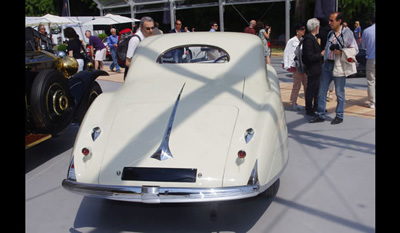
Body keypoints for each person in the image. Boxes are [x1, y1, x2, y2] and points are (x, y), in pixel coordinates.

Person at [309, 12, 358, 125]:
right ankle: (320, 114)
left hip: (339, 64)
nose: (330, 23)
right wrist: (325, 59)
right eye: (329, 20)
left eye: (332, 20)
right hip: (327, 65)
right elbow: (327, 48)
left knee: (339, 92)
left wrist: (341, 51)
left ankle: (339, 115)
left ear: (339, 21)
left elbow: (355, 49)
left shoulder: (347, 33)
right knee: (322, 91)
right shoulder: (330, 33)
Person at [283, 23, 307, 111]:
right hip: (296, 65)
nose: (303, 31)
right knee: (297, 85)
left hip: (304, 65)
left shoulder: (304, 40)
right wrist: (287, 65)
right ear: (297, 30)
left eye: (304, 29)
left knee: (306, 84)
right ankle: (293, 102)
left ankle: (308, 103)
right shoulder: (292, 41)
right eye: (301, 29)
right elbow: (287, 53)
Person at [302, 18, 323, 116]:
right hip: (312, 68)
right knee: (311, 88)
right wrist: (321, 54)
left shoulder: (311, 38)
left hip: (316, 68)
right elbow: (309, 56)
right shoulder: (309, 39)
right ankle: (309, 108)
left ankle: (316, 106)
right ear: (316, 27)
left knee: (316, 88)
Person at [361, 16, 375, 109]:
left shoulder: (366, 31)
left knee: (371, 80)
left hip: (371, 58)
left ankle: (372, 102)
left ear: (371, 21)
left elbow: (363, 46)